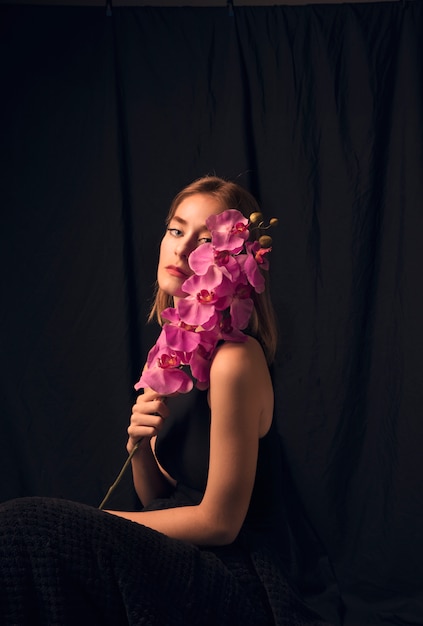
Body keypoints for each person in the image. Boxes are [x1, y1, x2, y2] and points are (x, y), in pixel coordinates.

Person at [0, 176, 328, 625]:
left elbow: (220, 523)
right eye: (176, 230)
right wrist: (140, 451)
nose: (182, 249)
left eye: (206, 240)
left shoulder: (235, 361)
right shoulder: (174, 349)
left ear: (232, 262)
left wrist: (102, 524)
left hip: (234, 576)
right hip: (175, 556)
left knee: (27, 525)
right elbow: (159, 496)